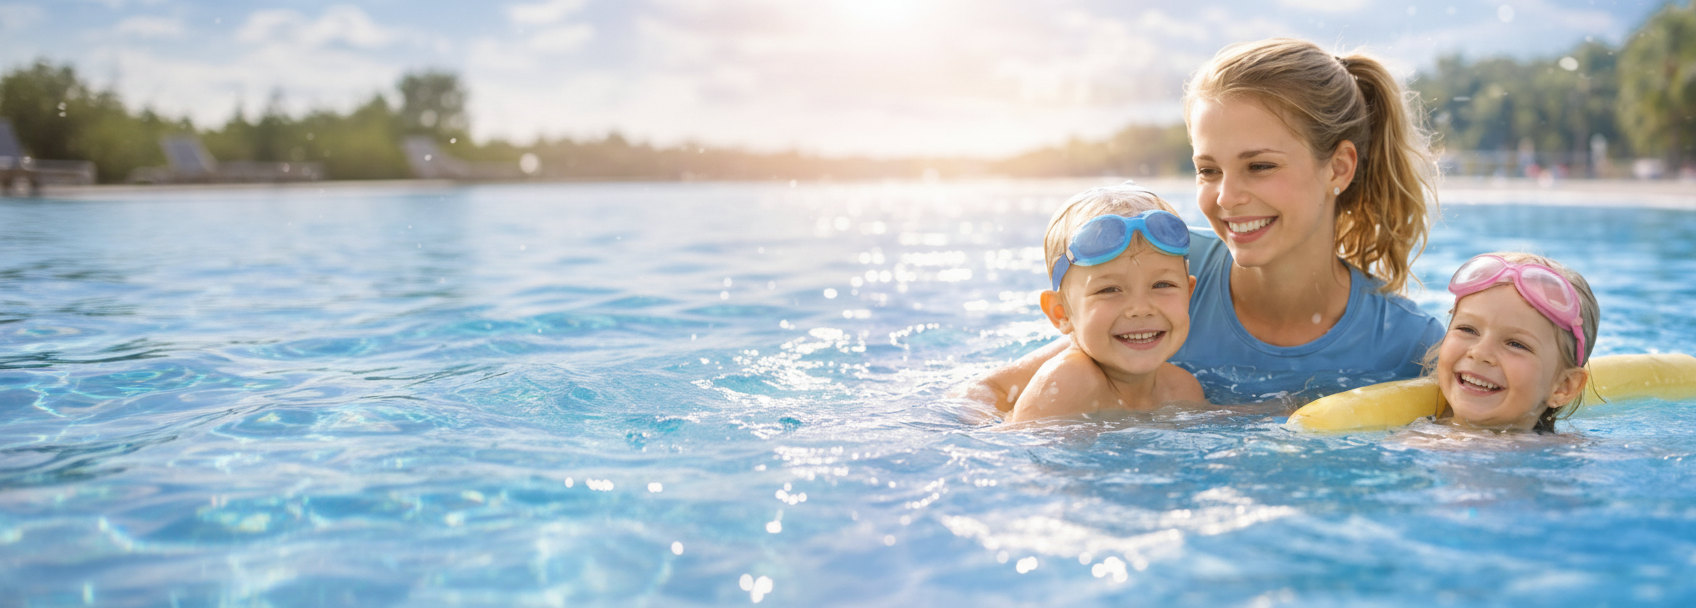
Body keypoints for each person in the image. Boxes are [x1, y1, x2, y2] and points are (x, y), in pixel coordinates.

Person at [962, 37, 1443, 410]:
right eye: (1208, 170)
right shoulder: (1157, 273)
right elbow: (987, 396)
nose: (1226, 198)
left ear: (1338, 168)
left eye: (1260, 166)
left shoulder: (1409, 347)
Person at [1004, 184, 1205, 423]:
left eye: (1162, 285)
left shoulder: (1182, 389)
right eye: (1110, 290)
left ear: (1188, 294)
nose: (1140, 309)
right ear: (1061, 313)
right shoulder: (1066, 383)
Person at [1431, 252, 1597, 432]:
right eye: (1467, 329)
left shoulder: (1570, 454)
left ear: (1563, 386)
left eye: (1516, 344)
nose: (1480, 353)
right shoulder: (1407, 438)